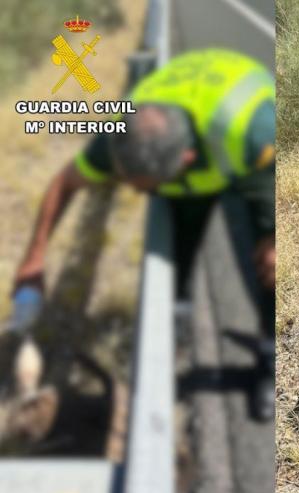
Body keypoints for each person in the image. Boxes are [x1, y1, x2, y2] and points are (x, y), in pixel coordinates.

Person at [12, 48, 276, 420]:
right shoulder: (120, 137)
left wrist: (273, 240)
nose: (135, 194)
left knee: (269, 267)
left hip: (252, 149)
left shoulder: (253, 132)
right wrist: (34, 259)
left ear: (185, 161)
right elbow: (64, 183)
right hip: (197, 143)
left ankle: (268, 360)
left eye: (144, 186)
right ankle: (178, 323)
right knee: (182, 227)